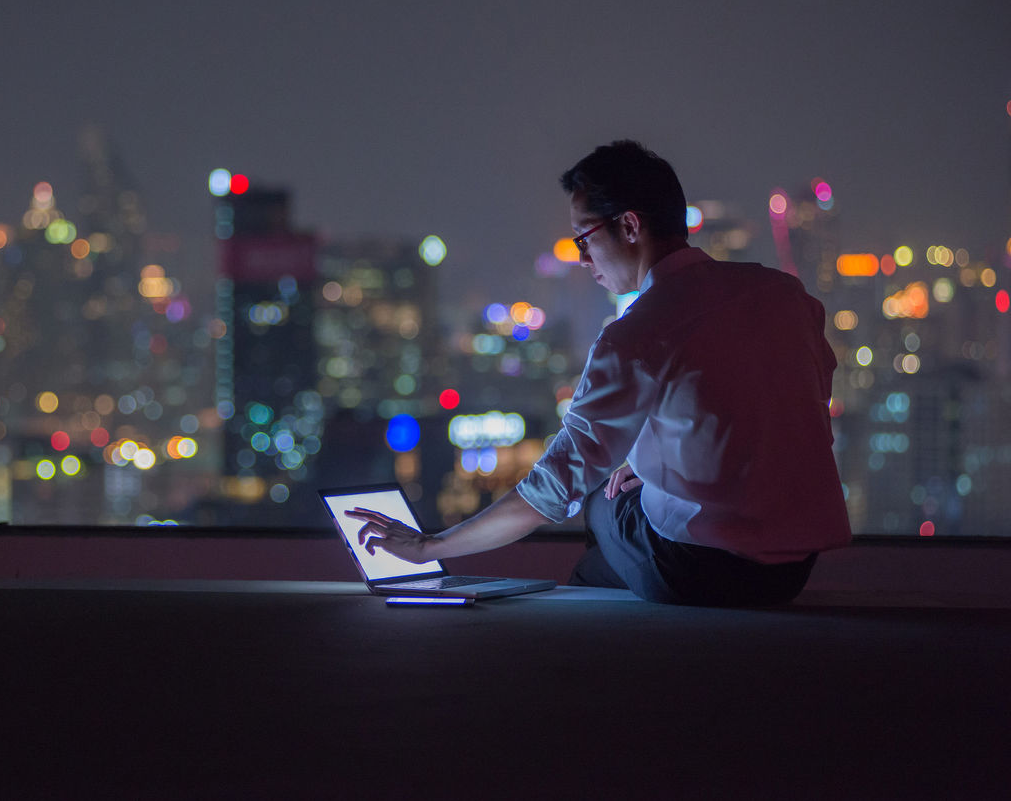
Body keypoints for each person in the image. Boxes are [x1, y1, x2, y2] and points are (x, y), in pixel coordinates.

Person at [348, 140, 851, 606]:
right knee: (623, 489)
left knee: (600, 503)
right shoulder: (787, 298)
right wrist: (654, 464)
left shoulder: (637, 334)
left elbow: (553, 488)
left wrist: (428, 546)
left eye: (584, 238)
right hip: (792, 569)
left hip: (699, 567)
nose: (582, 258)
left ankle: (593, 650)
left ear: (630, 227)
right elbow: (784, 413)